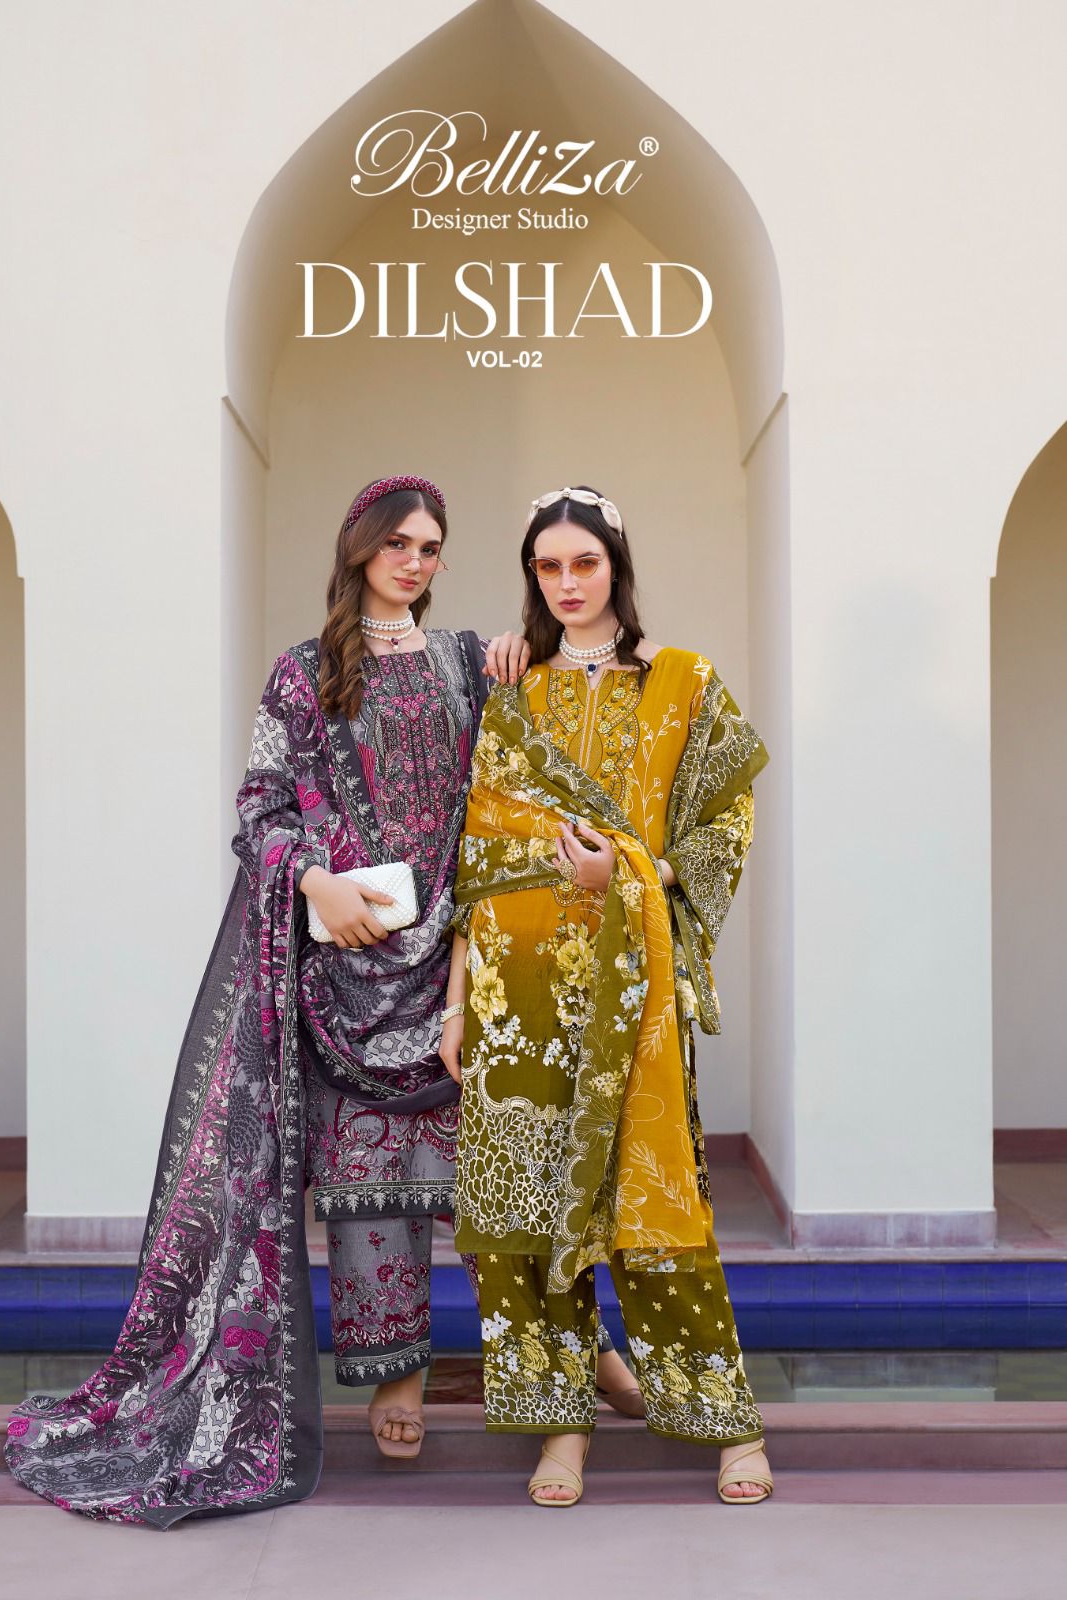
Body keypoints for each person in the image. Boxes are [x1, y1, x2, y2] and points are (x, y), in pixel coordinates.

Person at [3, 474, 638, 1526]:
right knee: (368, 1184)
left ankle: (581, 1352)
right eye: (398, 544)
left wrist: (517, 653)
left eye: (431, 546)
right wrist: (314, 883)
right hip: (345, 971)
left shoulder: (471, 661)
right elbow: (260, 807)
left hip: (460, 960)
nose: (415, 562)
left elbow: (516, 787)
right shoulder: (303, 676)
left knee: (503, 1177)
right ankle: (396, 1372)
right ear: (359, 551)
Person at [441, 484, 775, 1508]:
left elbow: (722, 824)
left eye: (583, 562)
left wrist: (633, 872)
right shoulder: (515, 692)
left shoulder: (684, 681)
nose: (567, 582)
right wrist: (455, 1002)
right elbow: (479, 856)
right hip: (517, 988)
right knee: (524, 1210)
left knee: (657, 1200)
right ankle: (562, 1430)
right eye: (547, 566)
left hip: (634, 981)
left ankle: (726, 1424)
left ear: (615, 567)